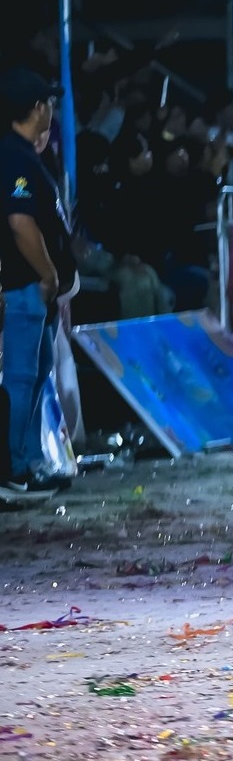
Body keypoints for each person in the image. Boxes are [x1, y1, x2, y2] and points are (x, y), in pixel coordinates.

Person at [0, 67, 73, 504]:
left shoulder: (25, 155)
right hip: (27, 286)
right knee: (22, 378)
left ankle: (24, 465)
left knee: (37, 373)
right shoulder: (14, 158)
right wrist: (47, 274)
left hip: (37, 291)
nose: (52, 109)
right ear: (34, 109)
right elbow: (21, 222)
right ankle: (10, 469)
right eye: (47, 102)